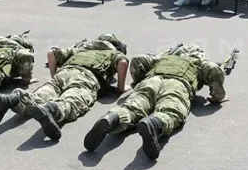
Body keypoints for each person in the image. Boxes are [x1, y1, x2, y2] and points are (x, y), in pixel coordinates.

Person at [83, 43, 226, 160]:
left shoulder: (161, 58)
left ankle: (112, 118)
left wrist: (138, 82)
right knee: (171, 110)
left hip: (151, 80)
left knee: (132, 107)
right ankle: (154, 124)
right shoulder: (199, 62)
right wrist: (217, 95)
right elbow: (214, 69)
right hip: (178, 84)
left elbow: (139, 60)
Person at [0, 34, 129, 140]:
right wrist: (120, 88)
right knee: (72, 101)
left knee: (37, 97)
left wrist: (54, 77)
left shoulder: (80, 49)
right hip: (86, 78)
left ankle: (14, 98)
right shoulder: (112, 53)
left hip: (63, 73)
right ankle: (51, 109)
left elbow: (52, 53)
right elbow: (122, 63)